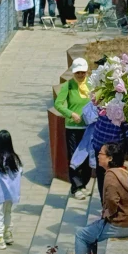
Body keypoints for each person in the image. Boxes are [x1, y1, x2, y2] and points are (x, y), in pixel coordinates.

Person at [54, 59, 91, 195]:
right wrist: (71, 114)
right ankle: (76, 186)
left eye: (83, 72)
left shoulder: (91, 84)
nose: (81, 75)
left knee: (87, 157)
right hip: (73, 128)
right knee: (75, 157)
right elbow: (58, 104)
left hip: (88, 127)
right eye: (78, 73)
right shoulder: (68, 86)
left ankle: (84, 184)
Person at [0, 130, 22, 249]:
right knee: (7, 212)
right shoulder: (15, 158)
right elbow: (20, 172)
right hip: (12, 193)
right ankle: (8, 234)